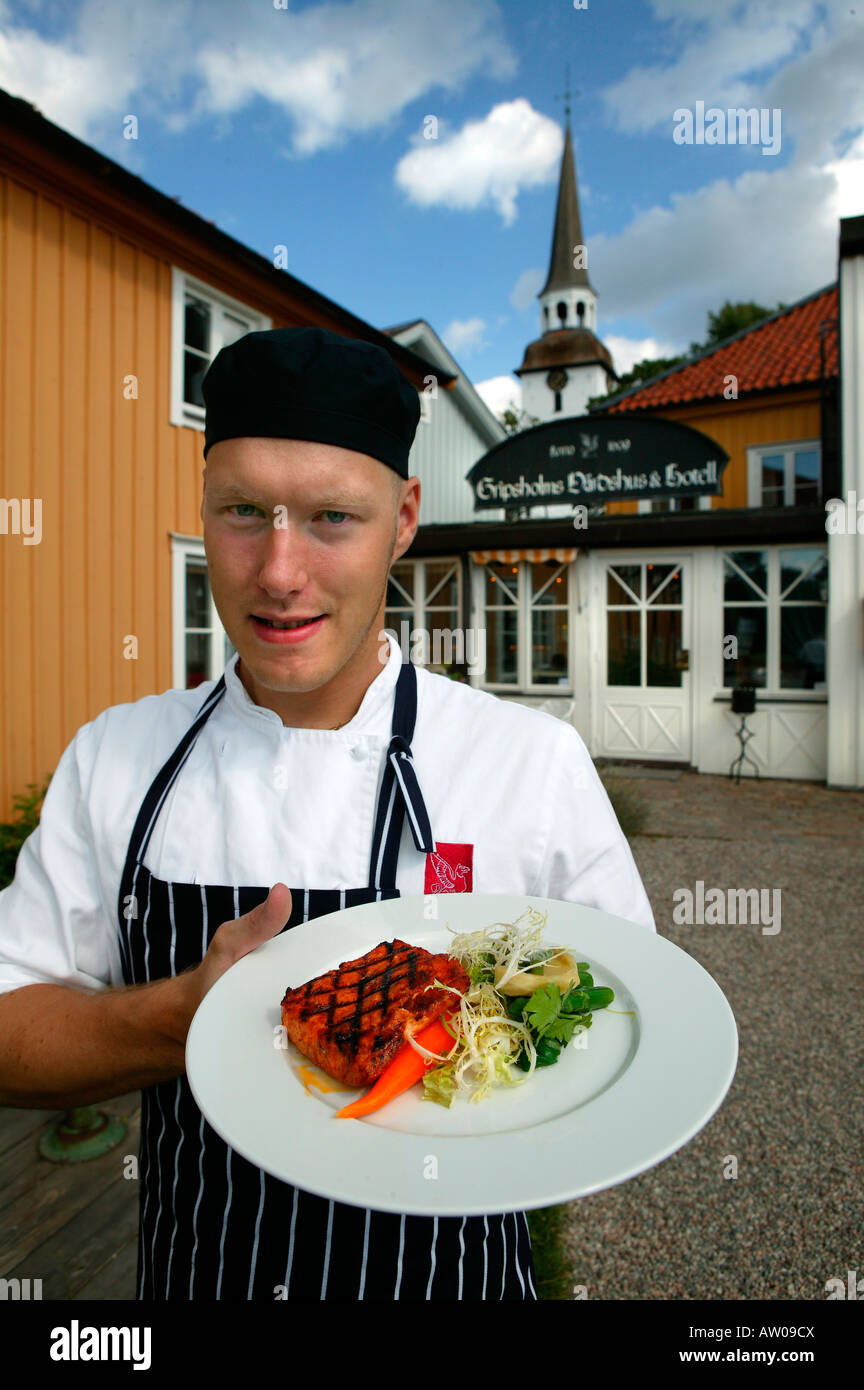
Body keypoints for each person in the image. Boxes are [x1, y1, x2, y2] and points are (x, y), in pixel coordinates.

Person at [0, 326, 655, 1301]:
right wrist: (186, 1015)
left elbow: (629, 1028)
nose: (277, 571)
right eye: (242, 511)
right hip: (203, 1274)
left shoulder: (529, 762)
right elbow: (11, 1033)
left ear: (404, 519)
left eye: (331, 519)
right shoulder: (116, 757)